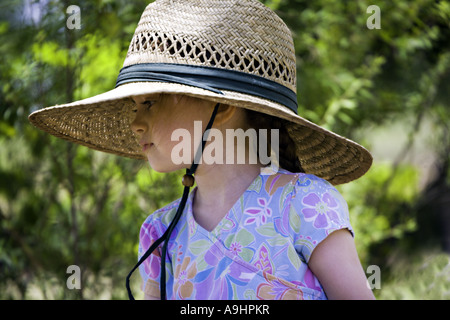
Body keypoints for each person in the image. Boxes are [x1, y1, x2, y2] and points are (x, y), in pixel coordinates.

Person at [29, 0, 374, 300]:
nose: (135, 123)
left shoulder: (305, 204)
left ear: (221, 107)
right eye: (134, 107)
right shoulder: (161, 232)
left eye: (150, 102)